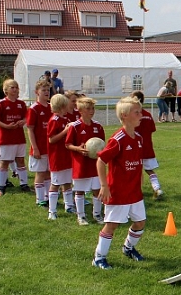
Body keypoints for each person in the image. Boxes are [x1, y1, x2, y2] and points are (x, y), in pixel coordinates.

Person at [92, 96, 147, 270]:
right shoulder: (118, 139)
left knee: (140, 222)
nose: (141, 115)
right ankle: (99, 258)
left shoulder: (138, 138)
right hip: (118, 191)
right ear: (124, 116)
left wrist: (140, 178)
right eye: (136, 112)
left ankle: (128, 248)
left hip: (134, 191)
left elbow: (138, 161)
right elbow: (101, 161)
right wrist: (104, 186)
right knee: (112, 225)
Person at [65, 96, 105, 226]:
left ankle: (97, 214)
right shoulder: (75, 126)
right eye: (88, 109)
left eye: (93, 108)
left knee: (97, 190)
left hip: (95, 165)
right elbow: (68, 144)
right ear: (80, 110)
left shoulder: (98, 126)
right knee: (80, 191)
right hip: (80, 164)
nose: (91, 111)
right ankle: (81, 216)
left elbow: (103, 145)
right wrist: (78, 149)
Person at [0, 79, 31, 196]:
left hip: (19, 137)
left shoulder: (21, 104)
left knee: (20, 160)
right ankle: (1, 186)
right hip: (6, 138)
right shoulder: (1, 104)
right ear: (6, 90)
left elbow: (26, 117)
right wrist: (6, 126)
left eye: (16, 87)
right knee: (4, 162)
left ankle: (24, 184)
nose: (15, 89)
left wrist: (23, 121)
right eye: (12, 87)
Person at [130, 90, 164, 199]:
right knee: (149, 170)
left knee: (134, 169)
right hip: (147, 147)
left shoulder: (133, 116)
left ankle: (136, 191)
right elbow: (152, 129)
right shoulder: (148, 115)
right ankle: (157, 188)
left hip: (134, 148)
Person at [47, 93, 75, 220]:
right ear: (61, 107)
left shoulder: (65, 120)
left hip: (67, 156)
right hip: (57, 157)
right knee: (56, 183)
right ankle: (52, 211)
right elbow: (51, 139)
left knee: (67, 182)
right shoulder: (54, 120)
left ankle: (69, 206)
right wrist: (65, 131)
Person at [27, 80, 52, 207]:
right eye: (43, 90)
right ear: (37, 92)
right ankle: (39, 198)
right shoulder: (34, 108)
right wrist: (35, 148)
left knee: (48, 172)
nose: (46, 92)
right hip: (39, 147)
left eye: (48, 90)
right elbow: (30, 129)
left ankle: (47, 197)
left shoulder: (51, 107)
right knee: (40, 173)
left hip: (50, 147)